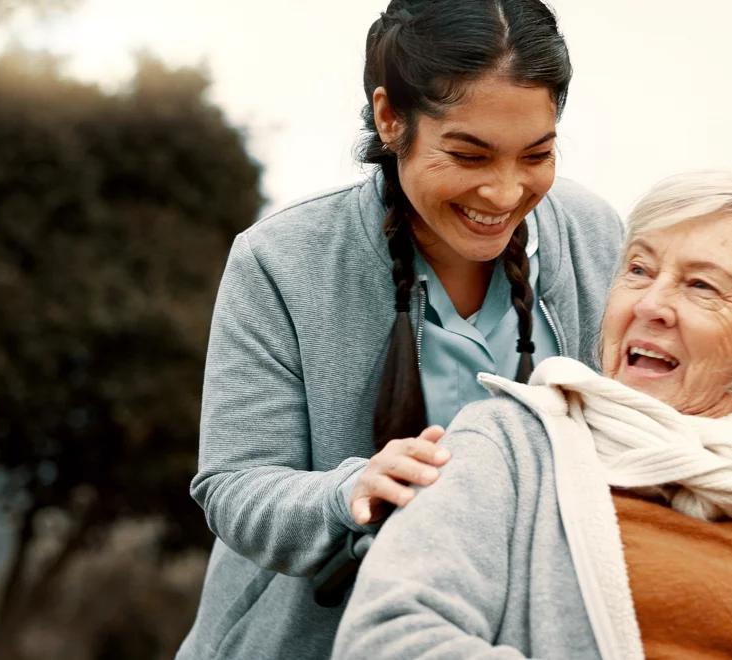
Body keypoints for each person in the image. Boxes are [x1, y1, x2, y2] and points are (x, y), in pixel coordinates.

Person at [333, 171, 732, 659]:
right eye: (638, 270)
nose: (652, 304)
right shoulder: (509, 449)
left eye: (700, 285)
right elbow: (388, 636)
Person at [175, 1, 624, 657]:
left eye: (537, 154)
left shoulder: (594, 237)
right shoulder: (279, 262)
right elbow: (233, 487)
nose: (504, 193)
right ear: (391, 118)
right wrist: (349, 492)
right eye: (469, 156)